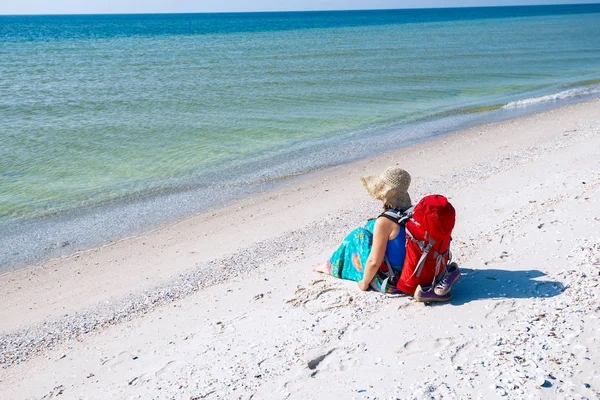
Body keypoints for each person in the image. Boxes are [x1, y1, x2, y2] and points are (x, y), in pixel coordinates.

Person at [314, 166, 459, 301]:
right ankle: (330, 264)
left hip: (395, 281)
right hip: (420, 272)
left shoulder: (384, 222)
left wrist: (363, 284)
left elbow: (374, 262)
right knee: (370, 226)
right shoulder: (413, 212)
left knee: (358, 236)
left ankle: (330, 266)